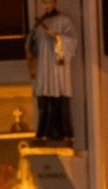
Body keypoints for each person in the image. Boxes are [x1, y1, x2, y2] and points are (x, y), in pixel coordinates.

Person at [28, 0, 78, 142]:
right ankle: (43, 132)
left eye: (49, 3)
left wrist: (57, 37)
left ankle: (62, 133)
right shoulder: (39, 24)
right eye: (44, 3)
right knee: (44, 96)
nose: (47, 6)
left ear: (55, 3)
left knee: (57, 94)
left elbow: (72, 41)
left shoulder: (64, 21)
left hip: (57, 67)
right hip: (43, 66)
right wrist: (31, 40)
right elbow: (33, 48)